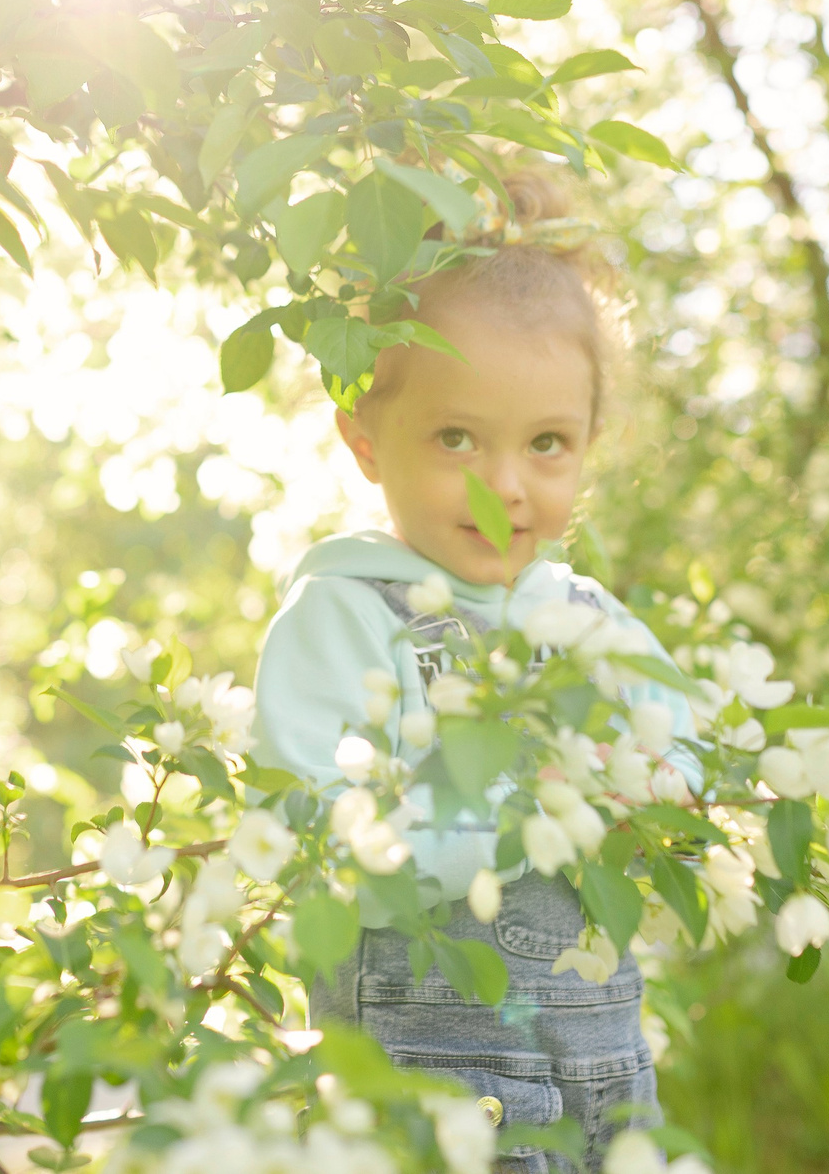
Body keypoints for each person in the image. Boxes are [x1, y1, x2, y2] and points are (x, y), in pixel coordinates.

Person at [251, 166, 698, 1173]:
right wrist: (518, 815)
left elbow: (689, 748)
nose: (504, 484)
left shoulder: (585, 617)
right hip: (435, 1091)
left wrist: (666, 794)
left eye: (546, 443)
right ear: (364, 435)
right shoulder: (342, 614)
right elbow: (316, 835)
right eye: (457, 437)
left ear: (589, 445)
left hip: (607, 1082)